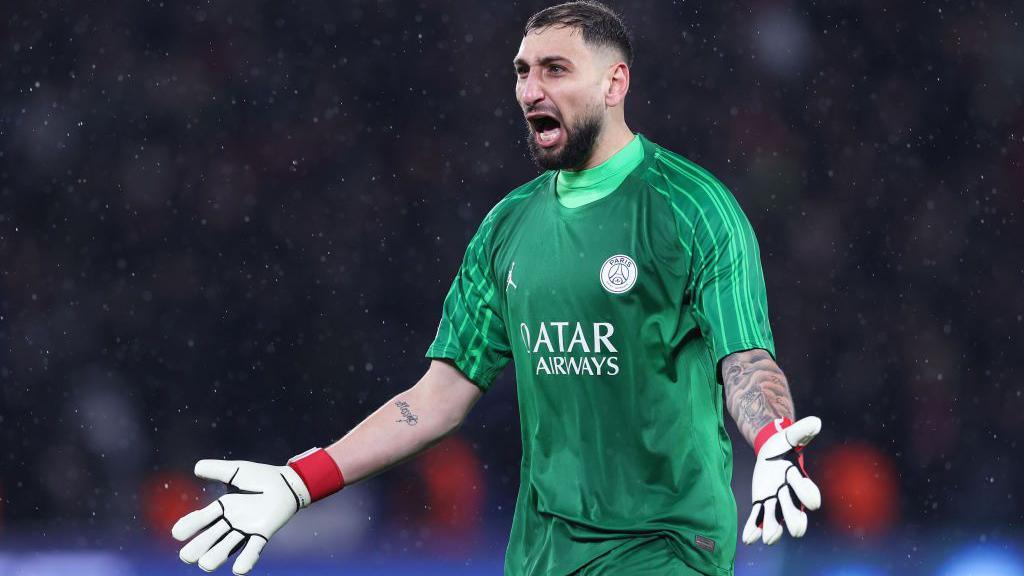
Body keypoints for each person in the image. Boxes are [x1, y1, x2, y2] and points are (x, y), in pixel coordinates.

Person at [170, 2, 823, 575]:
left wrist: (773, 445)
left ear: (614, 82)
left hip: (665, 550)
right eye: (522, 71)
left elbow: (745, 360)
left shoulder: (692, 208)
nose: (530, 89)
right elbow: (437, 399)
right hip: (542, 555)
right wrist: (300, 481)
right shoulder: (507, 227)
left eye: (555, 70)